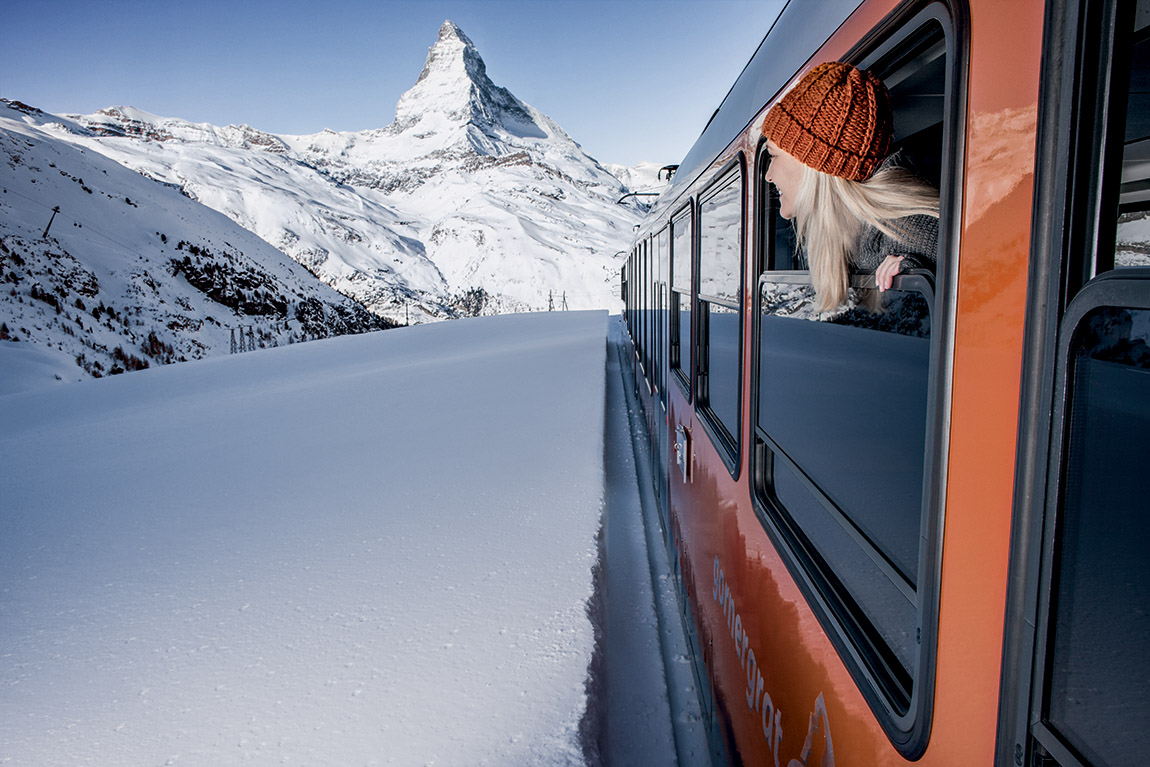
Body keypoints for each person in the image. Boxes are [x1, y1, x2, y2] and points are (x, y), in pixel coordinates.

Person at [762, 61, 940, 311]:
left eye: (773, 155)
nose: (768, 175)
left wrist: (916, 287)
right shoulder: (847, 233)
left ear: (813, 163)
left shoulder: (912, 234)